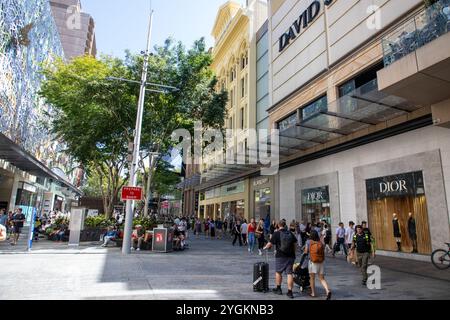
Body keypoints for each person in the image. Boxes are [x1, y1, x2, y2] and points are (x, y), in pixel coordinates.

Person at [263, 220, 297, 299]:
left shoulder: (276, 233)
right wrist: (293, 253)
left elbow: (269, 244)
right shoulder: (290, 233)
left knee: (278, 272)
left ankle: (278, 289)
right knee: (289, 274)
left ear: (278, 225)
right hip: (290, 256)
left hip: (280, 256)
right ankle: (290, 292)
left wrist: (265, 247)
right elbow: (295, 244)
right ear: (285, 225)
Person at [304, 230, 332, 300]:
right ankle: (327, 291)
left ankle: (313, 293)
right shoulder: (321, 243)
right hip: (321, 262)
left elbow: (306, 251)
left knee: (312, 278)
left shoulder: (308, 242)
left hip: (312, 262)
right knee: (322, 279)